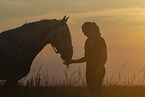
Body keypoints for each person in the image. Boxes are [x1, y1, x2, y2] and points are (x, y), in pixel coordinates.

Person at [64, 22, 107, 97]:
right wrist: (73, 61)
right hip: (89, 70)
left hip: (99, 70)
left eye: (85, 32)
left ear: (91, 30)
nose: (84, 34)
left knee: (96, 92)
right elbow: (86, 58)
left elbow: (104, 57)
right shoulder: (87, 42)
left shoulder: (100, 40)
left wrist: (99, 69)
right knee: (91, 92)